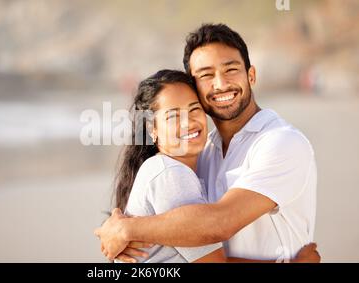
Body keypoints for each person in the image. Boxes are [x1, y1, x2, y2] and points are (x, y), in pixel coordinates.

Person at [95, 23, 319, 263]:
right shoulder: (200, 153)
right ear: (195, 87)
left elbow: (219, 223)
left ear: (251, 75)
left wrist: (128, 229)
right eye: (206, 75)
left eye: (231, 69)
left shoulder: (281, 142)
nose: (221, 84)